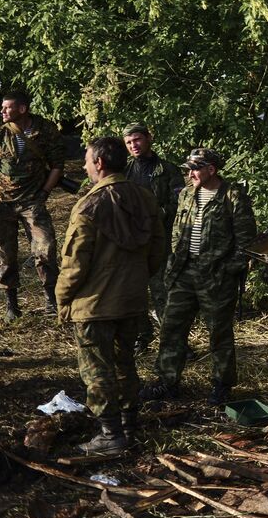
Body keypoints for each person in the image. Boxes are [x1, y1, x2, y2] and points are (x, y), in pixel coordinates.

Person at [56, 136, 164, 454]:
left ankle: (110, 435)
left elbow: (74, 264)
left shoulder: (88, 205)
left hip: (94, 306)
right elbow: (158, 250)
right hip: (132, 301)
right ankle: (129, 427)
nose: (86, 166)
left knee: (97, 369)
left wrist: (63, 299)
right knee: (125, 363)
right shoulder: (145, 198)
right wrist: (136, 280)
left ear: (100, 163)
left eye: (88, 161)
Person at [142, 147, 256, 406]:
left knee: (218, 333)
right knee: (171, 327)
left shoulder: (233, 196)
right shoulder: (186, 195)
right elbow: (175, 231)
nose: (190, 174)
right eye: (189, 169)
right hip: (184, 271)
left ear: (211, 170)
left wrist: (228, 270)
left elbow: (246, 241)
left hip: (215, 276)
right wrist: (174, 259)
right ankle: (167, 382)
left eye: (195, 169)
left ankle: (221, 385)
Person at [0, 90, 64, 321]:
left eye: (7, 107)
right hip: (1, 204)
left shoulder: (46, 130)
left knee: (46, 249)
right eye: (2, 107)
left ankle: (51, 300)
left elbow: (57, 166)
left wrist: (44, 193)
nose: (2, 111)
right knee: (6, 254)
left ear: (22, 109)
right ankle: (12, 305)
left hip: (33, 202)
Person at [122, 123, 179, 353]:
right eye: (128, 142)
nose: (133, 145)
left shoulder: (167, 169)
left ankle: (173, 341)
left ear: (148, 139)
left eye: (137, 140)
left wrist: (156, 217)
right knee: (134, 292)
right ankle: (142, 335)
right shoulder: (124, 171)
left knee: (162, 291)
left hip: (159, 240)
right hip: (131, 241)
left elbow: (178, 203)